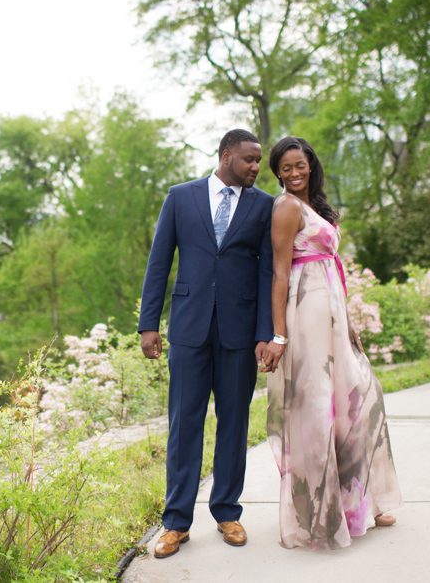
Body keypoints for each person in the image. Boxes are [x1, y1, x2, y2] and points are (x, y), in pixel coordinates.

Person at [138, 129, 274, 559]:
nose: (256, 167)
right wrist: (148, 324)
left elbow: (268, 272)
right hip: (190, 329)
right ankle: (176, 523)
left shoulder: (264, 206)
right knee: (184, 425)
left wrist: (265, 333)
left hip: (239, 331)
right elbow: (160, 261)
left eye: (258, 161)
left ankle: (227, 512)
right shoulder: (181, 197)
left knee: (234, 424)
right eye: (250, 159)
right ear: (227, 155)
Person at [260, 136, 402, 549]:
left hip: (333, 315)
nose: (293, 173)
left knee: (358, 400)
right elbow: (281, 273)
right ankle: (320, 513)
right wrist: (279, 333)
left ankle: (361, 501)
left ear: (311, 165)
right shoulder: (286, 207)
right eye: (285, 168)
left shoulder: (316, 206)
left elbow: (333, 270)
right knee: (319, 408)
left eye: (299, 165)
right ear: (278, 173)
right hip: (306, 315)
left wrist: (349, 321)